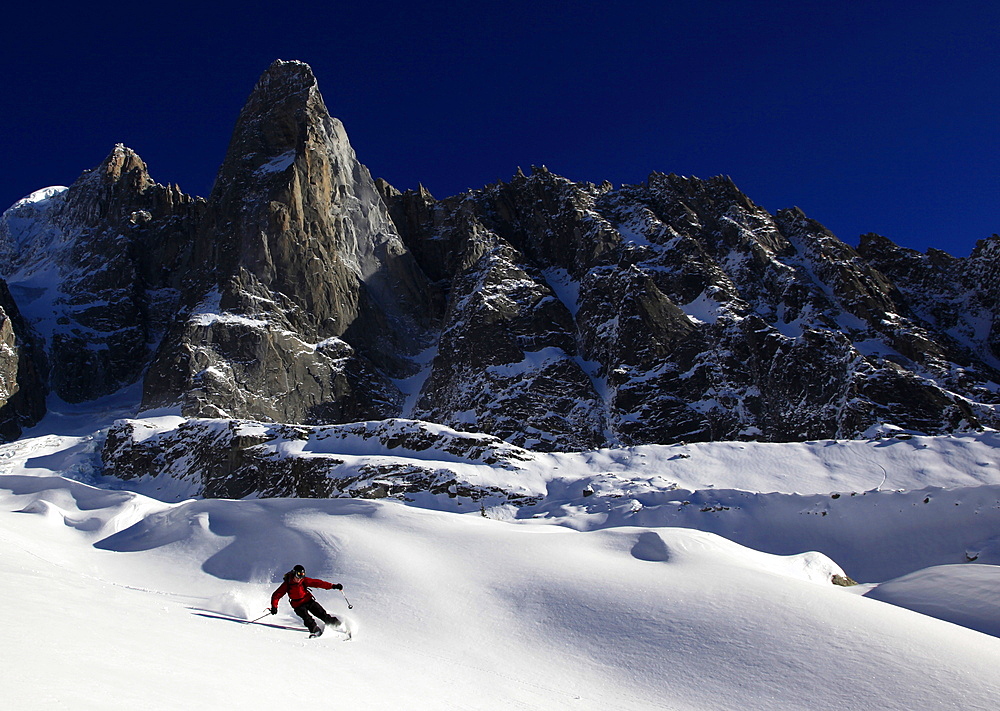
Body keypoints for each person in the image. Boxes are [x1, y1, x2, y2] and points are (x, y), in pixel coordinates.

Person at [270, 564, 343, 637]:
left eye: (301, 578)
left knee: (321, 613)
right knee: (307, 618)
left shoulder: (304, 581)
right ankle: (315, 631)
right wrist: (274, 607)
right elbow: (276, 595)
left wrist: (333, 586)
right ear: (293, 574)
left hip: (308, 600)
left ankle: (338, 625)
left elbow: (319, 583)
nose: (299, 580)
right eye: (297, 577)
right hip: (297, 605)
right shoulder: (287, 584)